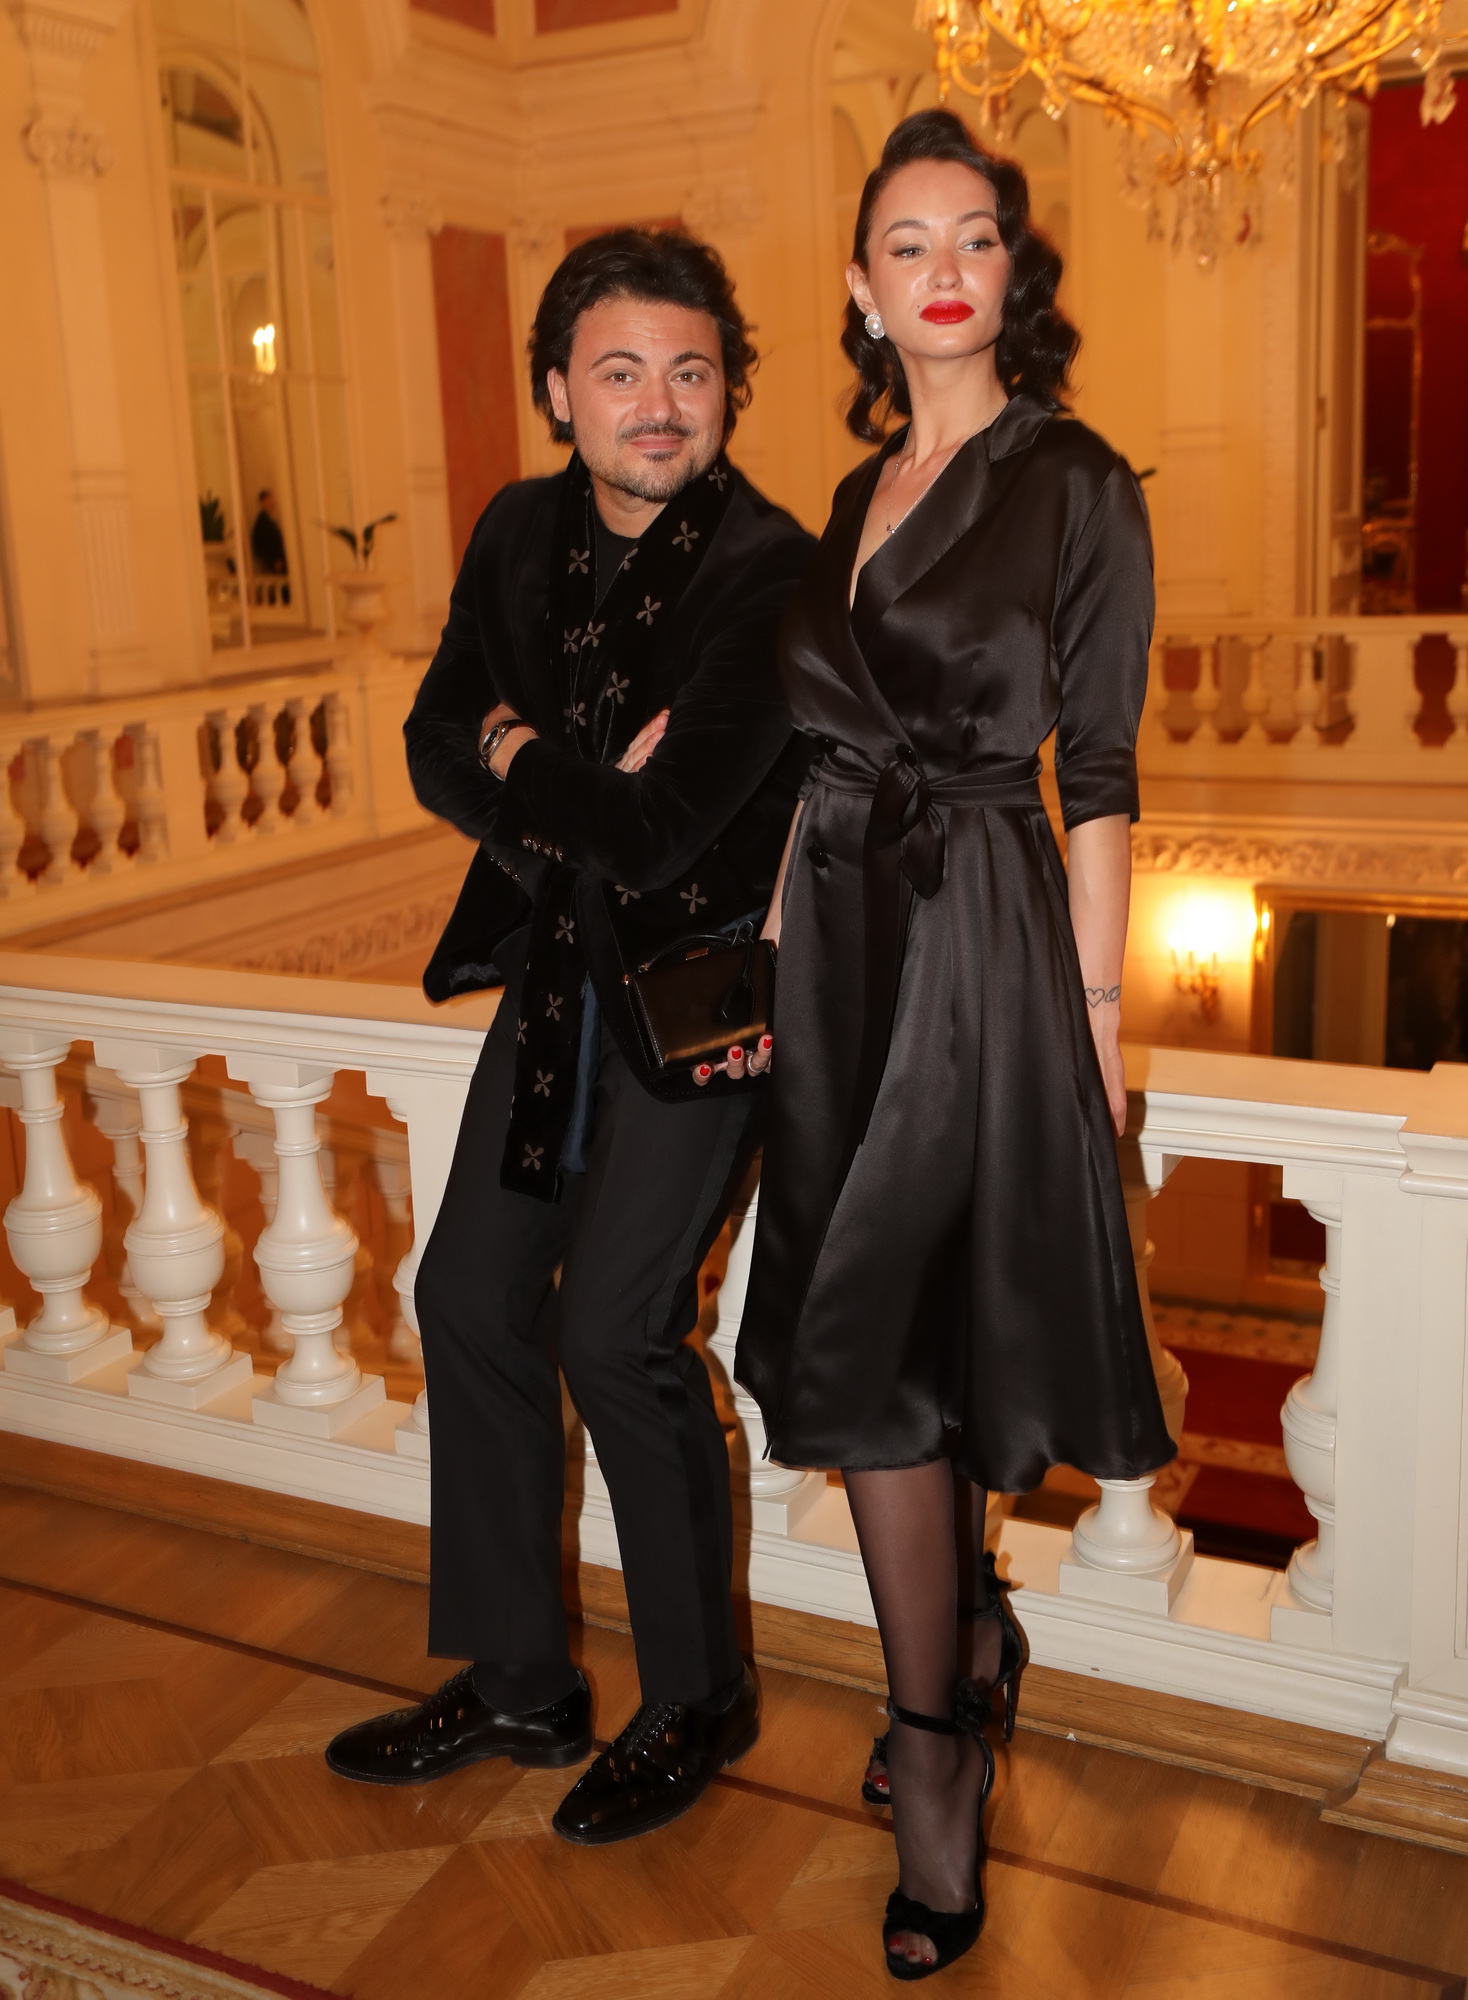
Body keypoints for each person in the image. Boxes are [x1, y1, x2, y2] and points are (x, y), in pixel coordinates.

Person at [731, 111, 1175, 1979]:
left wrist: (1095, 1014)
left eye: (972, 236)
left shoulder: (1075, 481)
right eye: (905, 243)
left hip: (983, 931)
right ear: (860, 288)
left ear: (1011, 270)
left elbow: (1102, 772)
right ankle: (971, 1639)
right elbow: (820, 751)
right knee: (897, 1316)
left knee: (884, 1347)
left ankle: (932, 1750)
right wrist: (774, 956)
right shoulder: (852, 497)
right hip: (838, 940)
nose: (941, 269)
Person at [324, 230, 814, 1843]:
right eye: (620, 371)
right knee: (465, 1295)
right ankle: (524, 1680)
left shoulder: (772, 570)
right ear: (559, 393)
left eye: (690, 370)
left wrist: (521, 753)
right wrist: (555, 776)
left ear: (727, 388)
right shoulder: (517, 531)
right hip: (555, 984)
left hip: (696, 1004)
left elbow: (667, 836)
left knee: (613, 1335)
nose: (658, 403)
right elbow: (430, 741)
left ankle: (698, 1697)